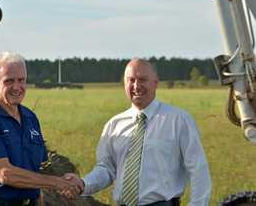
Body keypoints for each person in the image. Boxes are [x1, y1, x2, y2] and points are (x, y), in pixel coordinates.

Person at [64, 58, 212, 206]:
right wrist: (83, 184)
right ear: (124, 84)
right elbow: (106, 168)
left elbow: (198, 169)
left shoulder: (178, 120)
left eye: (142, 80)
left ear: (155, 83)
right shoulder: (114, 125)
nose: (136, 85)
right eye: (131, 80)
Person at [0, 52, 80, 206]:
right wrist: (58, 183)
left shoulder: (30, 118)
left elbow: (38, 168)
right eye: (9, 81)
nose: (16, 87)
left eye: (21, 80)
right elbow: (5, 174)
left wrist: (66, 180)